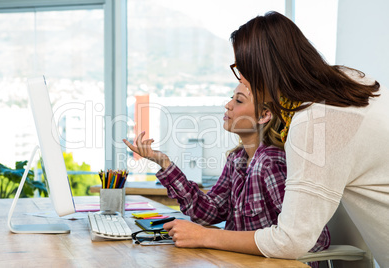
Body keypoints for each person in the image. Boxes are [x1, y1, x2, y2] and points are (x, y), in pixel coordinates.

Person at [155, 11, 389, 267]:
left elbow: (291, 240)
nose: (241, 80)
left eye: (242, 70)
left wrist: (205, 236)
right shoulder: (345, 82)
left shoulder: (315, 122)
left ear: (265, 70)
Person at [123, 83, 330, 266]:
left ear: (264, 115)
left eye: (238, 100)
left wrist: (207, 236)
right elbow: (208, 212)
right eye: (232, 97)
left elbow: (311, 239)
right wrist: (163, 163)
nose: (228, 105)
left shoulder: (271, 163)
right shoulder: (237, 159)